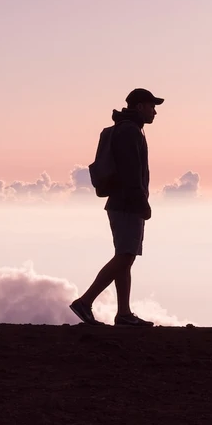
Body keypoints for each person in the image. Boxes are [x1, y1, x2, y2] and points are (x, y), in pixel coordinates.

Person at [69, 88, 161, 327]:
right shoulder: (130, 132)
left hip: (120, 203)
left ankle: (123, 314)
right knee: (125, 255)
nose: (154, 112)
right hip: (127, 203)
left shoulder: (128, 129)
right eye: (152, 106)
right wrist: (143, 203)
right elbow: (131, 172)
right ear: (139, 106)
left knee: (125, 257)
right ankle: (85, 302)